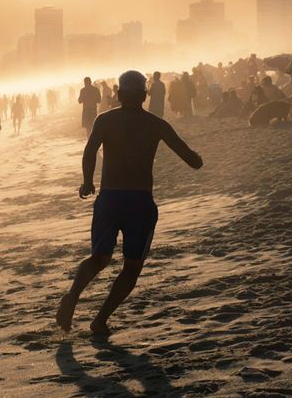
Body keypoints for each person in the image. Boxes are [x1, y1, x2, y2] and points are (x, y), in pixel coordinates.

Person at [56, 70, 204, 339]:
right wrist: (198, 157)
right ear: (145, 96)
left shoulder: (105, 119)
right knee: (132, 265)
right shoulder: (156, 124)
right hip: (139, 201)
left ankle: (72, 296)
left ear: (118, 94)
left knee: (99, 258)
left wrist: (87, 182)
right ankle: (100, 320)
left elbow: (90, 150)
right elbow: (192, 160)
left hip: (110, 198)